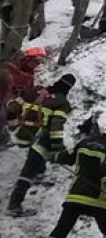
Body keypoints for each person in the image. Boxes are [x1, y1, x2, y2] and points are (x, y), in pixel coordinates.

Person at [8, 74, 75, 216]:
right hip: (39, 137)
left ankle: (39, 174)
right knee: (28, 169)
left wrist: (12, 118)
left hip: (22, 133)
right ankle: (14, 205)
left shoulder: (36, 90)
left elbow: (13, 106)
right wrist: (58, 145)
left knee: (37, 158)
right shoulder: (62, 102)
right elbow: (56, 125)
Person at [2, 47, 46, 148]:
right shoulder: (8, 67)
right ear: (27, 58)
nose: (37, 65)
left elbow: (25, 95)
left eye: (39, 62)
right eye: (36, 61)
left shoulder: (29, 79)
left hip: (9, 107)